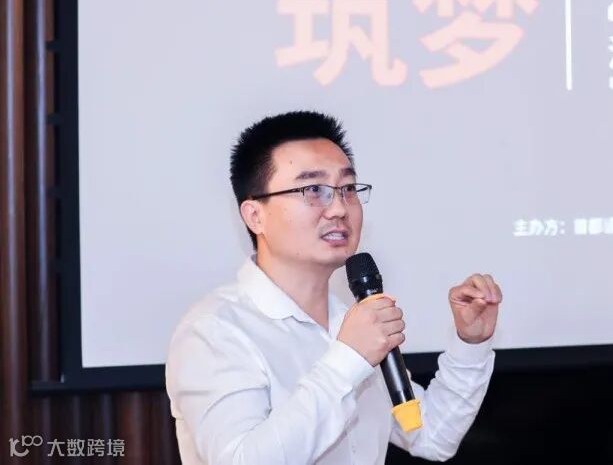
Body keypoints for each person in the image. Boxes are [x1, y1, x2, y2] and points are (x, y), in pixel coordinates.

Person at [165, 111, 502, 464]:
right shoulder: (215, 331)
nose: (339, 208)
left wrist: (471, 344)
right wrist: (349, 358)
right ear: (255, 215)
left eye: (348, 189)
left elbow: (431, 436)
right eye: (314, 190)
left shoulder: (351, 321)